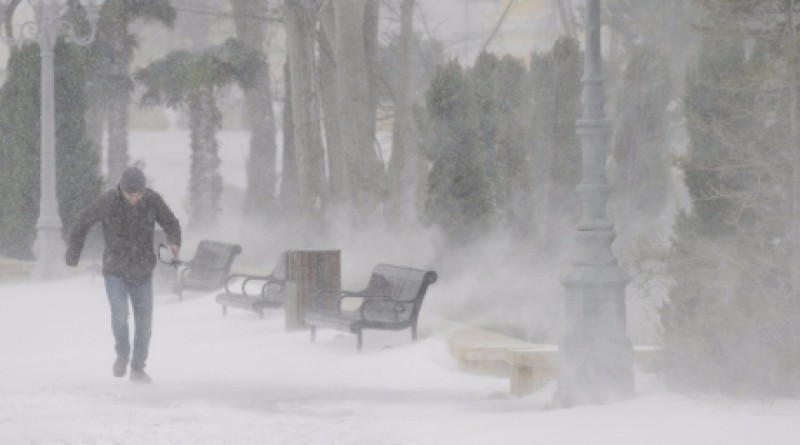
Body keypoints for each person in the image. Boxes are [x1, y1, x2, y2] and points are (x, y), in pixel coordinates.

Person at [66, 166, 181, 384]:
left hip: (142, 270)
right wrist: (73, 256)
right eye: (131, 194)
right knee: (120, 314)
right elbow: (82, 223)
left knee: (144, 323)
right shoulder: (107, 201)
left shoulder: (152, 200)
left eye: (139, 193)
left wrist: (174, 242)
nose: (136, 198)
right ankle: (122, 354)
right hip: (115, 269)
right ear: (122, 190)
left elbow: (171, 223)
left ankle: (137, 368)